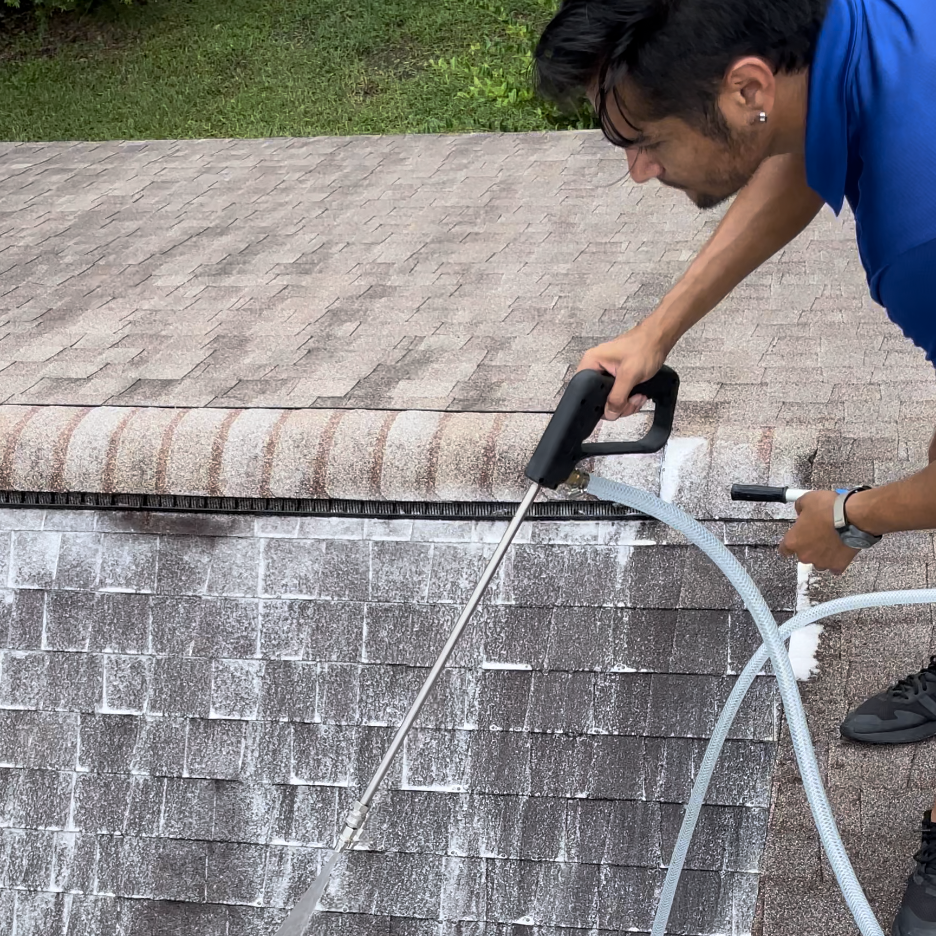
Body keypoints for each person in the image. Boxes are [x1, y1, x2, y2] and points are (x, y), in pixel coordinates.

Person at [533, 1, 936, 933]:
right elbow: (797, 151)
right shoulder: (842, 41)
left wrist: (851, 514)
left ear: (745, 85)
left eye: (643, 138)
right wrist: (656, 331)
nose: (638, 169)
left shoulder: (920, 232)